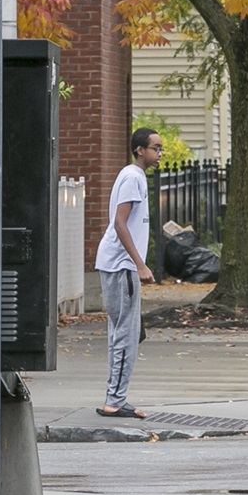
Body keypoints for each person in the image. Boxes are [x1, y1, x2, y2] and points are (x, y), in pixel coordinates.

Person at [95, 128, 162, 418]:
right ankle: (114, 401)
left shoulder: (133, 176)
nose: (160, 153)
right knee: (126, 334)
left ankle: (116, 397)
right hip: (121, 266)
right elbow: (120, 224)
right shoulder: (133, 178)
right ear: (140, 150)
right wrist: (140, 264)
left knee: (125, 332)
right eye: (156, 148)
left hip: (118, 265)